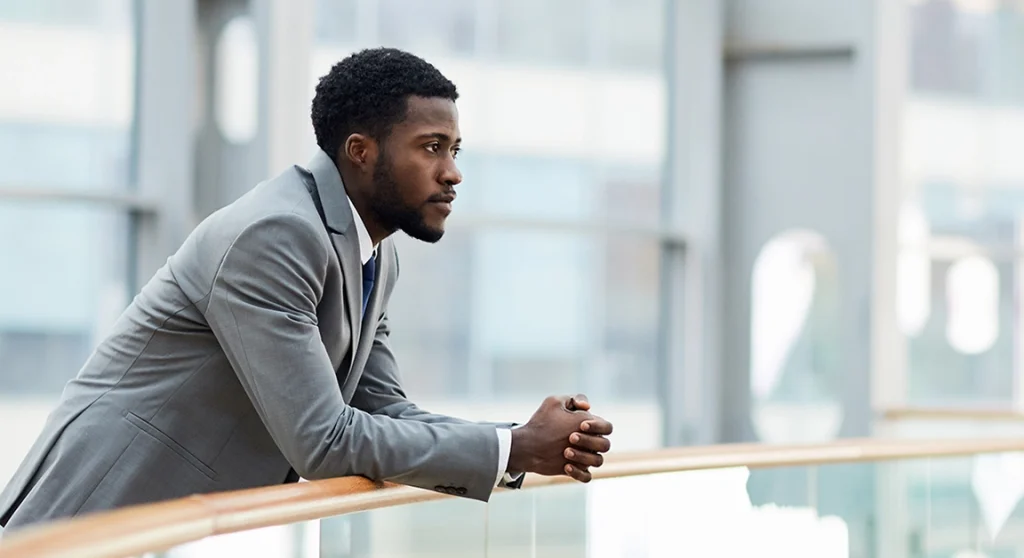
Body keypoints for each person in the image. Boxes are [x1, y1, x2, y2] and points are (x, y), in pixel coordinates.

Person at [0, 47, 613, 533]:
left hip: (174, 525)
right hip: (88, 523)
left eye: (454, 150)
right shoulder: (277, 234)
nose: (452, 172)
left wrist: (523, 443)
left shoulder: (373, 255)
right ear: (359, 151)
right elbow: (325, 441)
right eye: (431, 148)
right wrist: (513, 448)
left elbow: (383, 410)